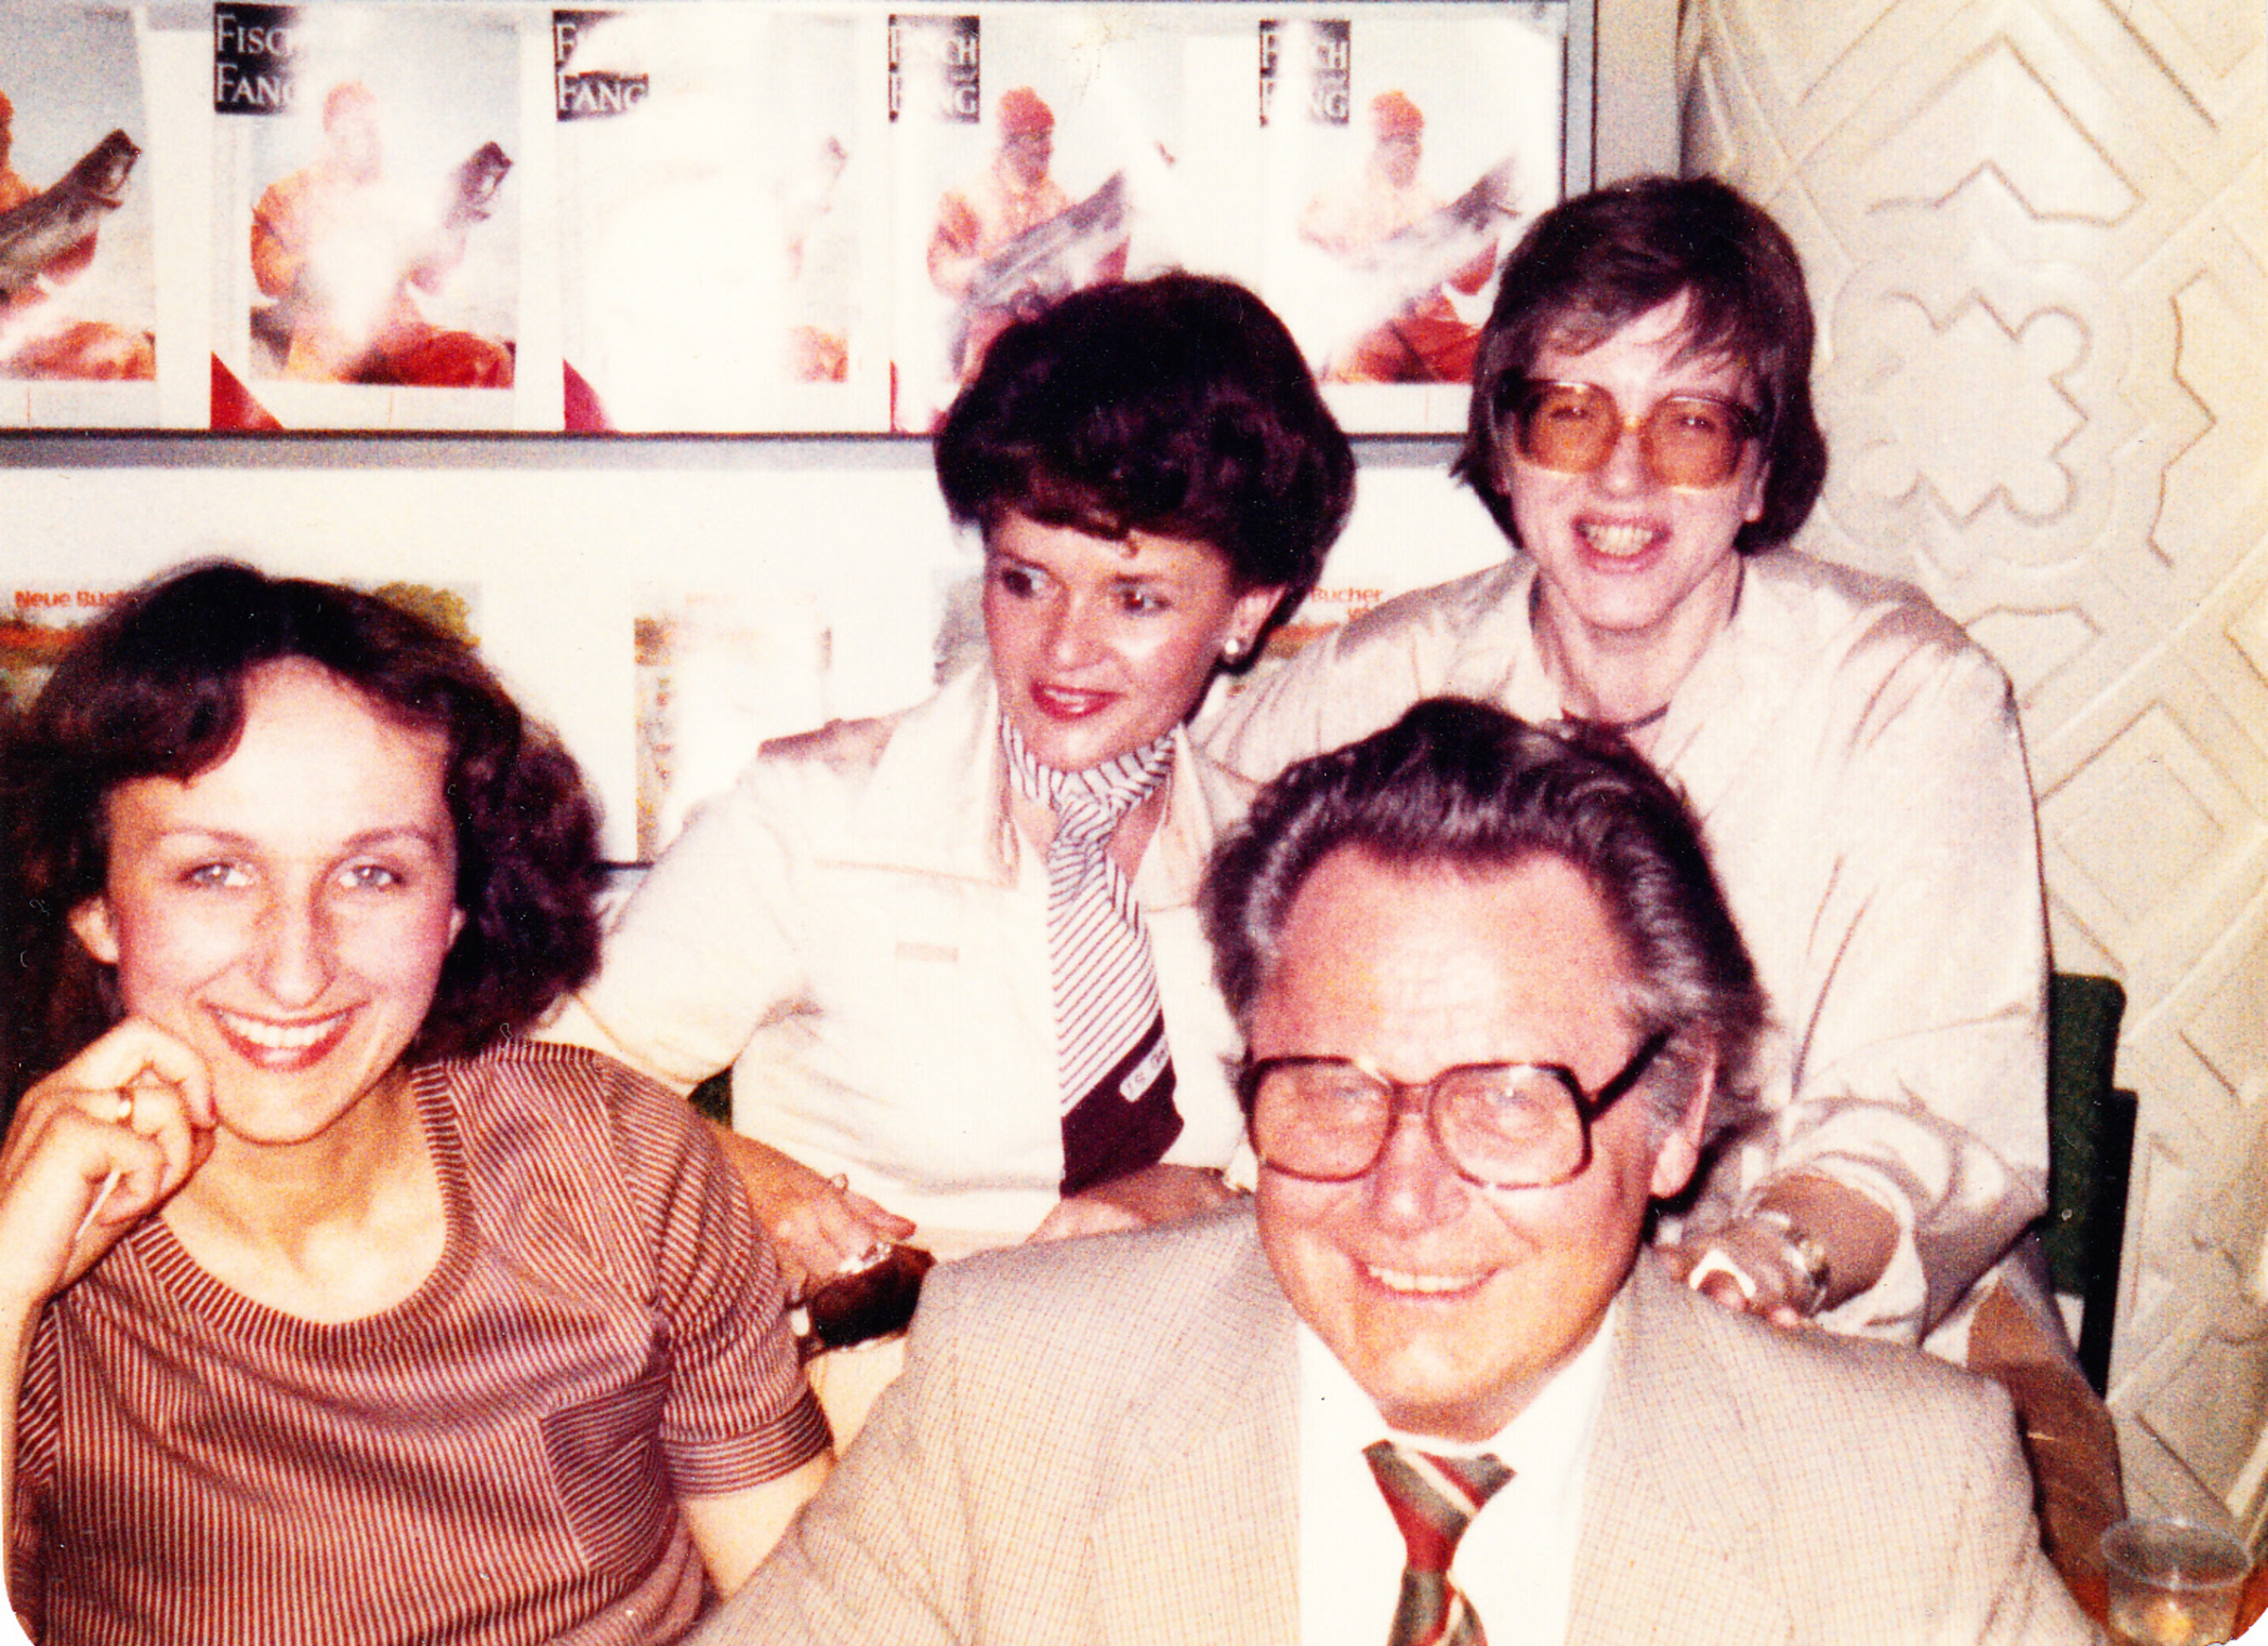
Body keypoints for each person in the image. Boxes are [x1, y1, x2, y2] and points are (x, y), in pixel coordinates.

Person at [687, 699, 2096, 1646]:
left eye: (1508, 1100)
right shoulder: (1017, 1387)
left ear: (1674, 1114)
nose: (1404, 1198)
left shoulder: (1896, 1494)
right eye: (1333, 1087)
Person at [545, 272, 1354, 1435]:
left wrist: (1203, 1201)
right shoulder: (814, 817)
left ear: (1250, 609)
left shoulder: (1298, 865)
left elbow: (1366, 1171)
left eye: (1136, 599)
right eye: (1025, 580)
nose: (1064, 647)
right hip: (872, 1429)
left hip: (1196, 1423)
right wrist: (743, 1181)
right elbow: (540, 1081)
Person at [0, 564, 830, 1646]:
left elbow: (811, 1613)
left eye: (372, 875)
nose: (295, 968)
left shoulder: (617, 1161)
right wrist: (10, 1280)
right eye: (215, 872)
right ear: (95, 901)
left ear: (455, 907)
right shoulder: (35, 1250)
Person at [250, 79, 513, 386]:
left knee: (490, 359)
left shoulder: (397, 201)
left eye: (373, 128)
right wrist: (318, 267)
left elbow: (431, 282)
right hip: (326, 340)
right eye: (356, 126)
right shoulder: (287, 193)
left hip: (399, 335)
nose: (370, 138)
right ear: (331, 129)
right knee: (318, 391)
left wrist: (457, 222)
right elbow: (268, 275)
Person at [924, 87, 1125, 383]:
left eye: (1049, 136)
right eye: (1038, 137)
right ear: (1009, 143)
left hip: (1044, 354)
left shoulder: (1061, 203)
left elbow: (1086, 274)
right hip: (986, 354)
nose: (1048, 148)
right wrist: (984, 275)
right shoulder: (966, 198)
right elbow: (940, 264)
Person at [1298, 91, 1497, 385]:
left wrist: (1485, 235)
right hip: (1371, 326)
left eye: (1418, 139)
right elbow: (1314, 251)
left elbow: (1468, 283)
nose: (1417, 150)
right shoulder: (1340, 198)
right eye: (1408, 140)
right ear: (1379, 145)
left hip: (1431, 326)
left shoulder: (1432, 202)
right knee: (1347, 383)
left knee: (1489, 362)